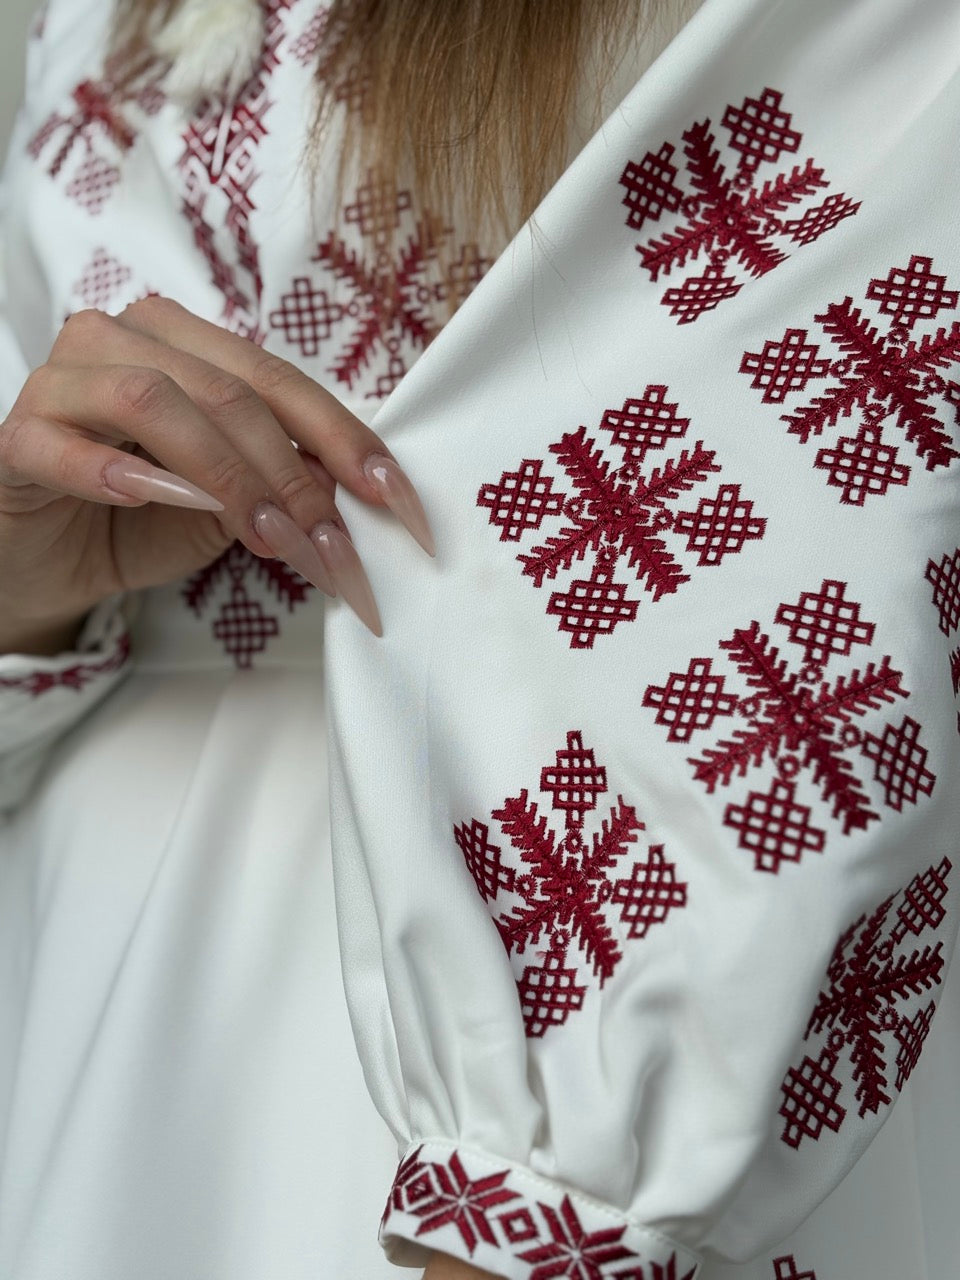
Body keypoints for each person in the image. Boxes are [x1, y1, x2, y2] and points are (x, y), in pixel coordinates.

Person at [0, 2, 958, 1278]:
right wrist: (26, 594)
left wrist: (558, 1193)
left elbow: (855, 518)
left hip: (579, 934)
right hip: (98, 938)